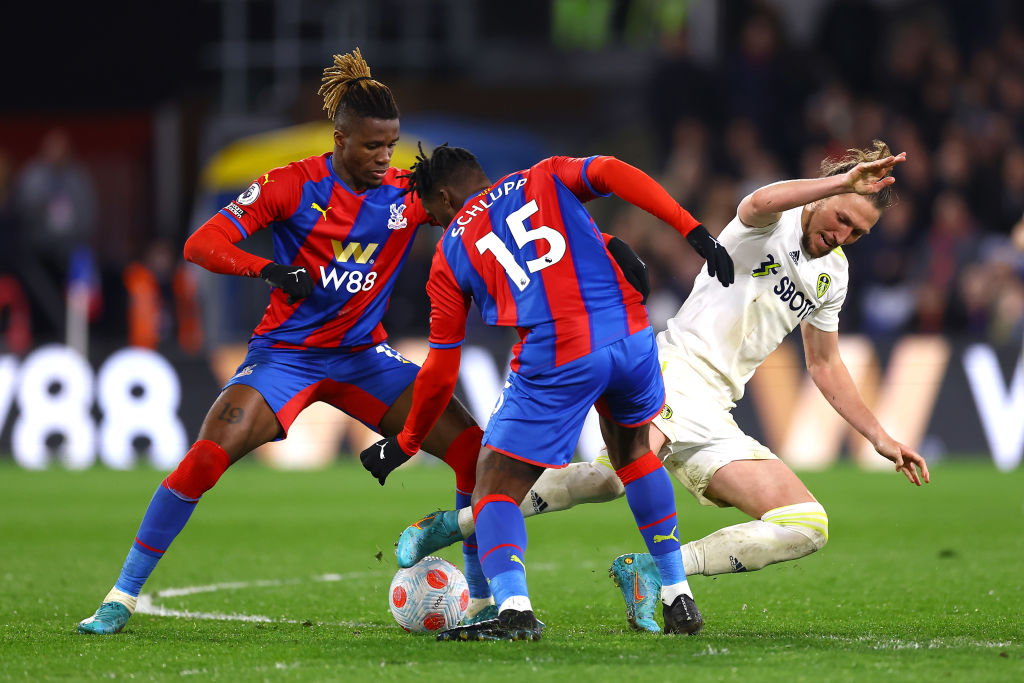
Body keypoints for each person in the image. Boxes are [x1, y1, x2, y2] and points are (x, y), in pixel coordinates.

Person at [395, 140, 930, 633]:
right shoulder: (774, 221)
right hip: (675, 370)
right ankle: (461, 523)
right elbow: (760, 200)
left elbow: (826, 364)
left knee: (807, 525)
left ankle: (652, 570)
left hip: (717, 408)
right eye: (842, 218)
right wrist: (841, 182)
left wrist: (880, 437)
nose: (842, 235)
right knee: (613, 477)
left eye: (857, 233)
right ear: (824, 194)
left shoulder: (833, 275)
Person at [76, 48, 491, 635]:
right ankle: (121, 596)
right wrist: (267, 270)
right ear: (340, 139)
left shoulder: (405, 194)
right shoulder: (291, 185)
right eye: (372, 146)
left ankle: (481, 601)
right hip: (285, 358)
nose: (384, 157)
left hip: (364, 358)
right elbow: (201, 244)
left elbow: (474, 207)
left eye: (391, 145)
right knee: (204, 459)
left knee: (472, 451)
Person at [359, 143, 734, 641]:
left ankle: (514, 612)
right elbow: (611, 171)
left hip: (561, 352)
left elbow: (442, 370)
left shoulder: (450, 249)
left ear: (445, 198)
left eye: (434, 215)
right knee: (635, 455)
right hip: (631, 334)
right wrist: (692, 230)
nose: (438, 225)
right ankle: (677, 594)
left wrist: (407, 441)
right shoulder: (544, 176)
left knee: (493, 487)